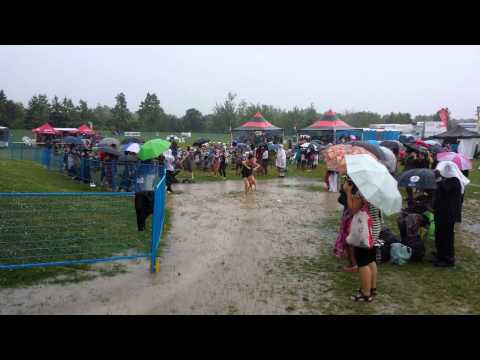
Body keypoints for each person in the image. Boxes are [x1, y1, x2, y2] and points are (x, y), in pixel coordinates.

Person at [343, 179, 381, 302]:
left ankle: (365, 293)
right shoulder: (376, 188)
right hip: (375, 228)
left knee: (363, 262)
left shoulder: (364, 190)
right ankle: (372, 288)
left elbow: (352, 210)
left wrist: (348, 193)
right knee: (371, 260)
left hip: (365, 230)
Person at [432, 161, 469, 267]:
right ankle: (440, 254)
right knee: (439, 234)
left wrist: (438, 179)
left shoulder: (455, 181)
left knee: (447, 236)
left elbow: (445, 190)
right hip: (441, 212)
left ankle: (448, 259)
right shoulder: (447, 180)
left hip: (449, 214)